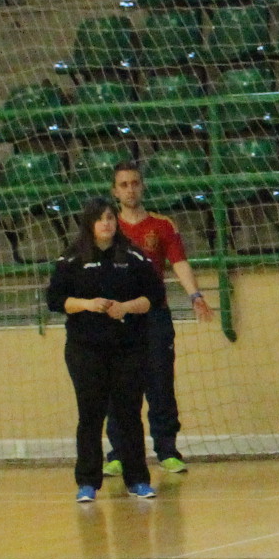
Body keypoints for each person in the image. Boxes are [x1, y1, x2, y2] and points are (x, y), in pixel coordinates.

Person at [46, 199, 162, 502]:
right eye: (99, 219)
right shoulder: (71, 259)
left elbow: (154, 298)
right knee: (90, 415)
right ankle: (87, 482)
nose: (106, 223)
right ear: (89, 224)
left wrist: (125, 307)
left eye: (110, 217)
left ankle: (137, 479)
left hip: (128, 348)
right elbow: (56, 300)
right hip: (86, 349)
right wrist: (88, 304)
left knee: (129, 414)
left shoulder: (134, 256)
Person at [111, 161, 217, 479]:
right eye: (124, 184)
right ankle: (119, 453)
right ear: (115, 191)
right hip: (117, 318)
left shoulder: (162, 225)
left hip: (154, 315)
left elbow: (179, 263)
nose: (130, 189)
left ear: (142, 187)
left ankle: (167, 451)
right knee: (119, 387)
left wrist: (196, 296)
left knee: (160, 383)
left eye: (135, 183)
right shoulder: (106, 227)